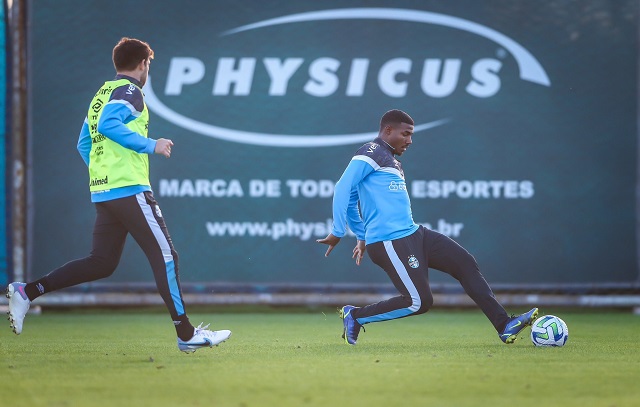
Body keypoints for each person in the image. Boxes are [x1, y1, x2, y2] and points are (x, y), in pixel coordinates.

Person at [5, 37, 231, 353]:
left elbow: (84, 143)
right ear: (143, 64)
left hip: (106, 191)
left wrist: (103, 175)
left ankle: (28, 291)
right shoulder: (130, 91)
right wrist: (151, 144)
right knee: (166, 257)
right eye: (148, 65)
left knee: (102, 262)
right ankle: (186, 332)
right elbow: (111, 125)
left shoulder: (101, 94)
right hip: (129, 189)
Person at [316, 109, 537, 345]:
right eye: (406, 134)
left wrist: (361, 234)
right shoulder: (372, 151)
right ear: (388, 131)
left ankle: (504, 325)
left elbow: (353, 197)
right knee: (419, 301)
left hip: (414, 234)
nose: (410, 141)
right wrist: (339, 231)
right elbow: (343, 188)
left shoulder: (392, 161)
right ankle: (356, 316)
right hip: (390, 241)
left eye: (412, 135)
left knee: (464, 263)